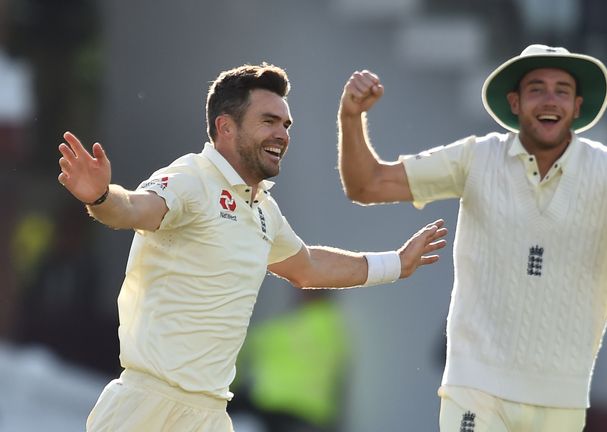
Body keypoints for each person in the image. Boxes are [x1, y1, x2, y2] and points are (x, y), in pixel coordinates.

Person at [336, 44, 607, 432]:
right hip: (475, 386)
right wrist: (351, 117)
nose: (550, 100)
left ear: (577, 106)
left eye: (562, 90)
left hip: (562, 399)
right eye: (536, 89)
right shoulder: (474, 158)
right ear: (515, 104)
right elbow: (366, 185)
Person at [56, 63, 449, 432]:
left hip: (209, 412)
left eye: (285, 124)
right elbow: (134, 209)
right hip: (148, 406)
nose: (282, 134)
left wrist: (396, 263)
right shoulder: (191, 177)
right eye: (269, 121)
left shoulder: (262, 209)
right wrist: (103, 197)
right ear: (225, 127)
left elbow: (307, 266)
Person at [234, 288, 348, 432]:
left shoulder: (321, 321)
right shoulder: (329, 322)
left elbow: (262, 339)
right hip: (298, 412)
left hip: (286, 409)